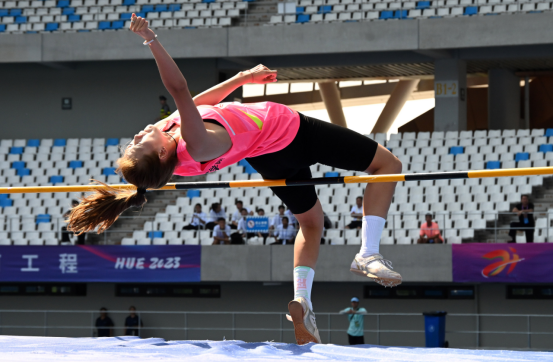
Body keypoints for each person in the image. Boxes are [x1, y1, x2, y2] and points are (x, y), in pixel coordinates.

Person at [68, 15, 403, 345]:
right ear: (159, 155)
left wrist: (241, 78)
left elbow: (201, 103)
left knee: (311, 224)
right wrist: (151, 40)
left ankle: (303, 301)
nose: (138, 134)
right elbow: (180, 89)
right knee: (387, 164)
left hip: (268, 156)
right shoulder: (194, 145)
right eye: (139, 142)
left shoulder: (173, 141)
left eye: (133, 140)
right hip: (292, 132)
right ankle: (368, 253)